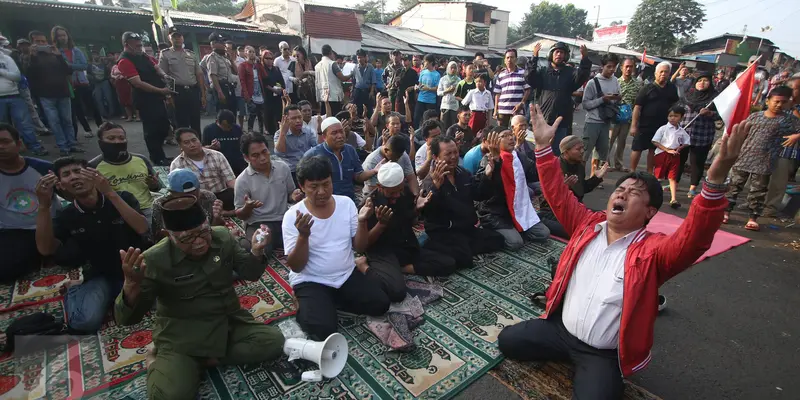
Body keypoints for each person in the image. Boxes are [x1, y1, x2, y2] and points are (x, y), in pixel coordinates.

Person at [498, 103, 744, 400]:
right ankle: (563, 352)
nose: (621, 193)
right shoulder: (588, 224)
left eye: (634, 193)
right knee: (507, 341)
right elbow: (558, 196)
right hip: (561, 332)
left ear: (650, 211)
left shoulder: (653, 251)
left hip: (602, 353)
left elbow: (696, 238)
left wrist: (714, 181)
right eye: (620, 189)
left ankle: (598, 374)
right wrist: (542, 147)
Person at [114, 196, 285, 399]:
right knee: (168, 396)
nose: (199, 242)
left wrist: (256, 253)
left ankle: (202, 360)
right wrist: (131, 286)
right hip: (182, 335)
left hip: (227, 321)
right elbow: (127, 320)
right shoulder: (154, 260)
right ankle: (159, 359)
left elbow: (250, 273)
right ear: (168, 235)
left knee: (273, 341)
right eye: (187, 238)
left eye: (204, 232)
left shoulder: (222, 237)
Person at [282, 156, 392, 340]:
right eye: (314, 186)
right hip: (312, 279)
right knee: (323, 330)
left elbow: (359, 247)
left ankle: (329, 301)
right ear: (302, 186)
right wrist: (303, 236)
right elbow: (296, 267)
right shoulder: (293, 216)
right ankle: (307, 300)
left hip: (345, 275)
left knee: (381, 303)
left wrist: (362, 221)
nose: (322, 192)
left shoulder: (345, 204)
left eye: (326, 184)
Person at [35, 156, 149, 332]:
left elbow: (142, 228)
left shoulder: (122, 198)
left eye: (78, 171)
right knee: (85, 322)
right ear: (61, 185)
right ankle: (76, 293)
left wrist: (110, 193)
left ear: (94, 175)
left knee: (164, 302)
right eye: (66, 174)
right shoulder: (67, 216)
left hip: (134, 271)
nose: (73, 177)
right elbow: (45, 249)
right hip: (99, 276)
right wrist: (43, 206)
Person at [362, 162, 456, 297]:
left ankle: (401, 269)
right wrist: (381, 224)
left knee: (449, 263)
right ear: (379, 187)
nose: (396, 196)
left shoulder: (404, 192)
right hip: (383, 252)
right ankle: (364, 267)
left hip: (405, 245)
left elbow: (410, 220)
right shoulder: (369, 205)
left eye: (399, 190)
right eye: (392, 192)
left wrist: (417, 209)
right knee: (397, 292)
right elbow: (365, 244)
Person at [419, 136, 504, 269]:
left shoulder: (463, 173)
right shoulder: (430, 181)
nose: (453, 157)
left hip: (465, 228)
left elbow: (479, 194)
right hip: (445, 232)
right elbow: (428, 213)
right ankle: (431, 244)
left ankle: (464, 246)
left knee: (498, 240)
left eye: (455, 152)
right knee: (465, 260)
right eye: (448, 154)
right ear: (436, 157)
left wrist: (487, 176)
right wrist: (436, 189)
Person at [725, 86, 800, 231]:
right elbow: (742, 133)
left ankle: (753, 218)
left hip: (765, 161)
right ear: (768, 101)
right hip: (744, 158)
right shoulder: (755, 116)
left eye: (783, 102)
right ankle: (726, 212)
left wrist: (796, 136)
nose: (779, 105)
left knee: (758, 192)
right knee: (734, 187)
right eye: (776, 101)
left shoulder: (788, 120)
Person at [475, 127, 550, 249]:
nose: (510, 138)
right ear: (494, 141)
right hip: (496, 213)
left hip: (518, 210)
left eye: (511, 134)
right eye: (504, 136)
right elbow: (483, 189)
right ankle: (492, 230)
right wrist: (495, 164)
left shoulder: (518, 156)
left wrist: (542, 149)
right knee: (516, 243)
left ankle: (516, 227)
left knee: (544, 234)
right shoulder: (487, 160)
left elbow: (534, 173)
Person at [0, 124, 56, 282]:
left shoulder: (43, 168)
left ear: (18, 144)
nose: (0, 147)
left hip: (46, 226)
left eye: (4, 141)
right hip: (11, 230)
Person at [235, 134, 303, 253]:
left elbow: (290, 194)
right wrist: (248, 207)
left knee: (305, 239)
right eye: (256, 155)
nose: (263, 158)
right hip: (259, 223)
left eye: (264, 152)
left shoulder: (283, 168)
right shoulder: (242, 180)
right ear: (246, 158)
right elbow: (240, 214)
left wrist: (294, 196)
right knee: (259, 248)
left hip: (283, 220)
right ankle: (241, 240)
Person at [117, 32, 173, 166]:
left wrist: (165, 76)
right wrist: (161, 90)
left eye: (140, 44)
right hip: (145, 98)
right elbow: (138, 83)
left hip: (157, 97)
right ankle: (157, 157)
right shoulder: (124, 61)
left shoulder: (143, 56)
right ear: (127, 45)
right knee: (152, 130)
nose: (139, 47)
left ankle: (160, 154)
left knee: (164, 126)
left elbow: (156, 67)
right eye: (136, 45)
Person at [526, 42, 591, 155]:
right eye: (557, 52)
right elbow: (529, 78)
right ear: (551, 54)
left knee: (559, 153)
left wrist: (585, 58)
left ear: (565, 56)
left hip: (563, 121)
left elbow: (582, 76)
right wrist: (534, 57)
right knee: (541, 152)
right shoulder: (542, 72)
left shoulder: (570, 73)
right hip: (544, 119)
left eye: (562, 52)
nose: (559, 55)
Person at [89, 122, 161, 223]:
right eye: (111, 138)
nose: (117, 142)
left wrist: (154, 185)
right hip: (116, 213)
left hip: (147, 209)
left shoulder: (141, 159)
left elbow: (157, 187)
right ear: (100, 142)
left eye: (121, 138)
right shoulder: (93, 166)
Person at [25, 30, 82, 156]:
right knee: (54, 122)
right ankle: (63, 147)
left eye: (43, 41)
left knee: (67, 120)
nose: (41, 44)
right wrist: (33, 57)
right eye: (37, 42)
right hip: (46, 95)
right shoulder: (29, 57)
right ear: (32, 43)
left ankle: (72, 144)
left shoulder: (55, 54)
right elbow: (30, 75)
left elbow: (68, 70)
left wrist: (59, 56)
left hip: (63, 92)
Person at [304, 117, 380, 202]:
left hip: (349, 200)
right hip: (325, 202)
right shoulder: (313, 155)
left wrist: (374, 171)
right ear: (324, 137)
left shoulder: (350, 150)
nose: (339, 136)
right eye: (334, 133)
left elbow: (358, 176)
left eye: (341, 131)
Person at [630, 61, 680, 174]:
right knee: (637, 148)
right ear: (656, 73)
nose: (663, 74)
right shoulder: (647, 88)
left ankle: (649, 172)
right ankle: (632, 171)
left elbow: (675, 106)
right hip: (644, 125)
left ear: (669, 74)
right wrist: (633, 126)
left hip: (661, 125)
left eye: (666, 72)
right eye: (661, 71)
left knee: (654, 150)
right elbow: (637, 107)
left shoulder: (671, 88)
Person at [52, 26, 102, 137]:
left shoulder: (76, 50)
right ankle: (87, 129)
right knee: (77, 108)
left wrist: (69, 66)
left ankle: (101, 126)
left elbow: (84, 65)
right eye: (59, 36)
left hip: (83, 82)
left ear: (67, 36)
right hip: (69, 84)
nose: (62, 38)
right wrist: (71, 67)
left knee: (92, 105)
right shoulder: (56, 52)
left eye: (64, 35)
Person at [171, 128, 236, 210]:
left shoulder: (217, 156)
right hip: (196, 200)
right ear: (180, 146)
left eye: (194, 140)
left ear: (199, 140)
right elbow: (178, 192)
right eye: (186, 142)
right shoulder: (177, 165)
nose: (192, 145)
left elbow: (231, 181)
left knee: (232, 194)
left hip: (221, 197)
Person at [0, 40, 47, 156]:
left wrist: (1, 72)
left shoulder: (7, 58)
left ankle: (35, 146)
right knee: (2, 129)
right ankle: (8, 151)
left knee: (25, 124)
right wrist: (7, 74)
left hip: (14, 95)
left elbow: (17, 76)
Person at [764, 77, 800, 218]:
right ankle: (756, 202)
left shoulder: (794, 108)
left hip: (787, 149)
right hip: (768, 147)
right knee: (761, 178)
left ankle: (770, 207)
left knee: (779, 180)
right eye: (798, 88)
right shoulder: (779, 103)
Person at [151, 168, 224, 238]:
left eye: (194, 193)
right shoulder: (160, 205)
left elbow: (217, 230)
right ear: (172, 193)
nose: (191, 199)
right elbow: (160, 237)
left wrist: (216, 219)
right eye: (185, 196)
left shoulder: (208, 197)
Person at [159, 28, 205, 132]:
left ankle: (198, 145)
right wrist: (168, 95)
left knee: (196, 122)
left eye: (179, 37)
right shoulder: (166, 54)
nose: (177, 39)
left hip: (192, 91)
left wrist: (203, 94)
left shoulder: (191, 54)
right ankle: (184, 147)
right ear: (169, 38)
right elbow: (163, 76)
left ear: (183, 38)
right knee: (181, 123)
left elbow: (199, 74)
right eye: (174, 37)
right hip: (177, 92)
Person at [581, 54, 621, 177]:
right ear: (602, 66)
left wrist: (616, 98)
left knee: (601, 154)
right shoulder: (593, 83)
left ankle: (595, 177)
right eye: (609, 66)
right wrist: (603, 99)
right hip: (592, 122)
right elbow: (585, 104)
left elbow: (617, 97)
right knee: (584, 153)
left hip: (606, 122)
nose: (612, 70)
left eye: (614, 67)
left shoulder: (615, 80)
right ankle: (579, 177)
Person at [680, 72, 718, 198]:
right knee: (679, 159)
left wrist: (709, 113)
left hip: (702, 135)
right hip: (684, 131)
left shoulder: (715, 98)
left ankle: (692, 187)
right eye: (699, 80)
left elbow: (720, 115)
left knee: (697, 162)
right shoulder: (688, 95)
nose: (702, 83)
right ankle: (674, 183)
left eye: (705, 80)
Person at [651, 106, 690, 208]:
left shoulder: (681, 131)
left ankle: (673, 199)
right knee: (658, 176)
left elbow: (687, 142)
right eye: (670, 116)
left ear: (681, 117)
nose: (672, 118)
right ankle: (654, 195)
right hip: (662, 154)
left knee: (672, 177)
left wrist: (679, 148)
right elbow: (655, 141)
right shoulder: (663, 128)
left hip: (674, 155)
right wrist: (667, 149)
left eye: (675, 116)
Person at [608, 57, 641, 172]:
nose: (628, 69)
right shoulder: (615, 81)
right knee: (609, 141)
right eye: (626, 66)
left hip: (627, 118)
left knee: (621, 142)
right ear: (621, 68)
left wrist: (635, 121)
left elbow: (638, 102)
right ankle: (605, 164)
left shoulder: (638, 83)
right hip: (614, 116)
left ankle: (618, 164)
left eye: (631, 66)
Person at [274, 105, 319, 181]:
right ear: (286, 119)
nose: (298, 121)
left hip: (306, 168)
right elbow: (279, 153)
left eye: (300, 117)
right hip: (290, 171)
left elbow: (317, 148)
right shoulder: (279, 134)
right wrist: (283, 133)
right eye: (294, 118)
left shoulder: (308, 131)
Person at [559, 135, 607, 203]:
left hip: (576, 206)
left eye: (582, 148)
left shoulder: (579, 165)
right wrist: (563, 188)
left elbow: (581, 190)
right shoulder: (556, 168)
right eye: (578, 149)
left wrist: (596, 178)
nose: (582, 151)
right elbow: (547, 198)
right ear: (566, 152)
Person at [201, 109, 246, 175]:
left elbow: (243, 145)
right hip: (218, 164)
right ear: (217, 122)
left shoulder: (237, 128)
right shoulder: (209, 130)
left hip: (237, 163)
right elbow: (202, 149)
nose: (229, 129)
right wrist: (211, 147)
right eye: (225, 126)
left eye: (230, 126)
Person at [493, 49, 531, 128]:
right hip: (502, 109)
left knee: (518, 131)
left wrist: (522, 103)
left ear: (516, 59)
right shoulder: (500, 75)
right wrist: (495, 110)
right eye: (507, 58)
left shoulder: (523, 73)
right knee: (502, 132)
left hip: (517, 109)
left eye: (512, 57)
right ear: (505, 60)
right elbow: (497, 93)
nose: (509, 60)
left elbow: (528, 90)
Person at [202, 32, 236, 115]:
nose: (224, 44)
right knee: (223, 116)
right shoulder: (212, 57)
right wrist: (220, 92)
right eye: (221, 42)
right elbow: (213, 75)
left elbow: (236, 72)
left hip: (229, 87)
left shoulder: (225, 57)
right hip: (221, 88)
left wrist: (231, 59)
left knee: (232, 114)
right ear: (213, 44)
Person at [237, 46, 267, 133]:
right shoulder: (243, 66)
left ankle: (261, 131)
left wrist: (259, 63)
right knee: (252, 115)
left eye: (253, 52)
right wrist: (246, 95)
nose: (252, 53)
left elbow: (265, 76)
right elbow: (242, 81)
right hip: (250, 94)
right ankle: (250, 132)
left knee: (261, 115)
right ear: (245, 53)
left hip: (259, 93)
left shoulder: (257, 65)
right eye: (250, 52)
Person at [315, 45, 352, 116]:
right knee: (335, 118)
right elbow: (343, 78)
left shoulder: (317, 66)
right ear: (330, 52)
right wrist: (351, 74)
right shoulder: (332, 64)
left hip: (322, 96)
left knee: (325, 118)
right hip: (333, 96)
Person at [260, 50, 287, 134]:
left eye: (271, 58)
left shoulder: (276, 69)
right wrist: (272, 89)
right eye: (267, 58)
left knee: (279, 114)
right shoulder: (262, 69)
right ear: (263, 59)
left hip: (277, 95)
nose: (269, 60)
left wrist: (280, 88)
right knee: (269, 115)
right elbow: (263, 83)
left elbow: (281, 81)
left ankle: (278, 132)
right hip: (267, 96)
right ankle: (270, 131)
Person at [414, 54, 441, 129]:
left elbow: (437, 88)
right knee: (416, 118)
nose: (423, 63)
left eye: (425, 62)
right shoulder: (422, 72)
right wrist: (417, 87)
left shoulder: (437, 74)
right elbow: (420, 85)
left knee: (429, 120)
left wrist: (428, 88)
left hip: (431, 101)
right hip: (421, 99)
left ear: (430, 62)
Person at [352, 49, 375, 118]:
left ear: (365, 57)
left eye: (361, 57)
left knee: (369, 110)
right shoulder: (355, 67)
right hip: (358, 91)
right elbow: (353, 80)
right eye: (358, 57)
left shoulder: (370, 67)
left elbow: (373, 81)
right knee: (358, 109)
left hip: (367, 91)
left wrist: (371, 91)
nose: (360, 59)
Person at [438, 61, 461, 129]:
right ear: (448, 68)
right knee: (443, 126)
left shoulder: (459, 80)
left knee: (454, 126)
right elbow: (438, 92)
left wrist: (455, 90)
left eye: (455, 68)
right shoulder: (443, 79)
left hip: (454, 106)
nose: (453, 70)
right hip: (445, 106)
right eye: (451, 68)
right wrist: (447, 91)